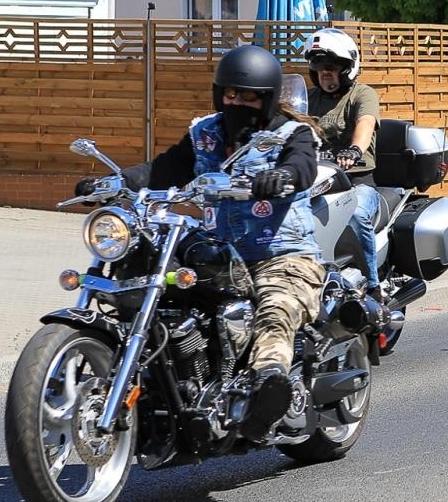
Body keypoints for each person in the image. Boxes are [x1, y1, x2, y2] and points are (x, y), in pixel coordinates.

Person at [80, 44, 325, 439]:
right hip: (221, 252)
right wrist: (114, 183)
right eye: (230, 94)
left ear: (266, 99)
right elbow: (163, 170)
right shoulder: (205, 133)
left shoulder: (291, 133)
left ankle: (270, 384)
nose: (237, 103)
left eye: (248, 97)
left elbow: (303, 165)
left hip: (281, 253)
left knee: (275, 309)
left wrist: (282, 177)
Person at [303, 28, 382, 302]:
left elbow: (366, 124)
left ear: (347, 67)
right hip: (316, 182)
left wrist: (354, 149)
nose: (325, 72)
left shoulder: (363, 94)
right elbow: (285, 125)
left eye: (332, 66)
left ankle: (373, 286)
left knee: (356, 213)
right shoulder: (308, 99)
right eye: (319, 65)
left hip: (356, 182)